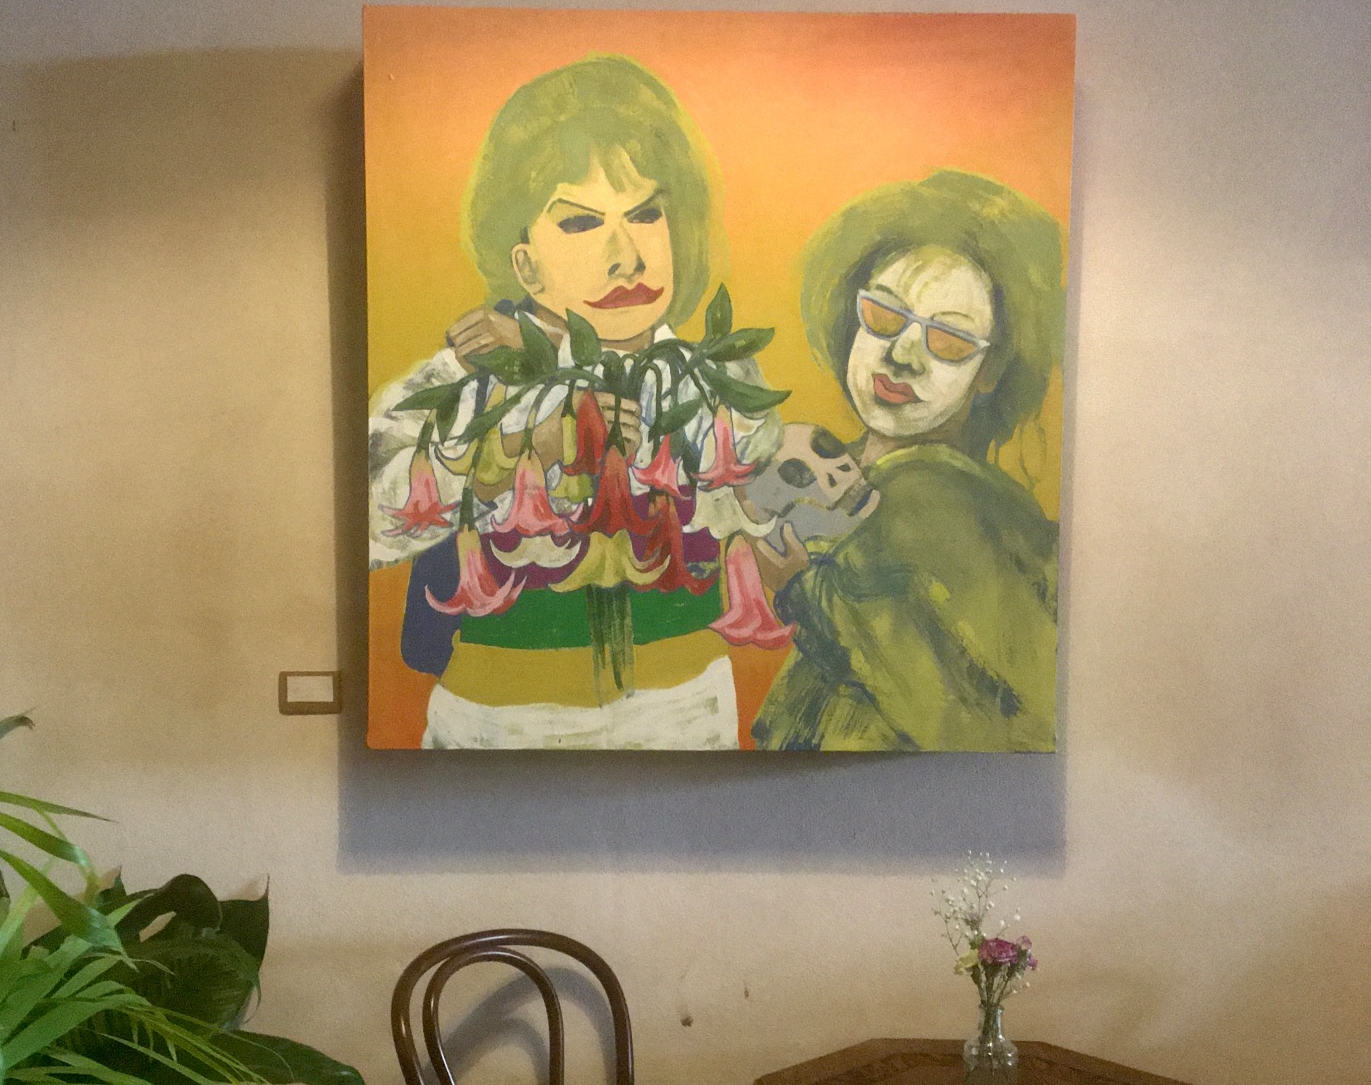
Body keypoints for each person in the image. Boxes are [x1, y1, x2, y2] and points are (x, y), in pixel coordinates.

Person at [368, 54, 781, 750]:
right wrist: (515, 452)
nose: (627, 256)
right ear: (524, 263)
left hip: (686, 707)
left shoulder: (717, 378)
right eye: (582, 224)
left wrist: (568, 368)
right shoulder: (469, 373)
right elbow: (369, 524)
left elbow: (750, 488)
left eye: (646, 214)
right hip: (497, 717)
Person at [751, 168, 1063, 752]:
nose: (902, 356)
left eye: (949, 341)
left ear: (989, 373)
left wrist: (800, 591)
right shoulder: (838, 471)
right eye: (885, 316)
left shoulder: (934, 498)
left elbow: (984, 722)